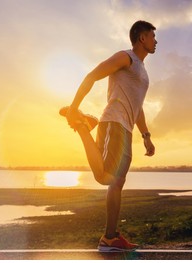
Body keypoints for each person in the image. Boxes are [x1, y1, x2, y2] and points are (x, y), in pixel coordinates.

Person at [60, 20, 157, 251]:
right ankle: (83, 126)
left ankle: (111, 238)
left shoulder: (142, 72)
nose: (156, 41)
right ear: (142, 38)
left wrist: (146, 135)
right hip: (113, 121)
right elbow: (93, 75)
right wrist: (74, 107)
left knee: (117, 181)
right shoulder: (126, 57)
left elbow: (138, 106)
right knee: (106, 178)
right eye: (153, 36)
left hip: (125, 128)